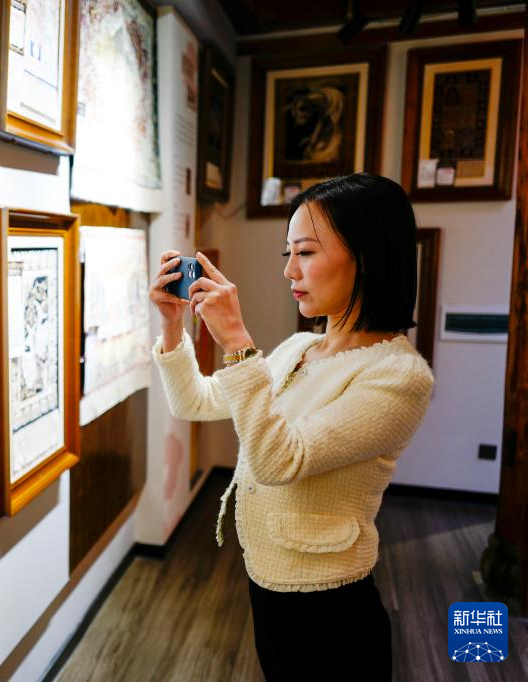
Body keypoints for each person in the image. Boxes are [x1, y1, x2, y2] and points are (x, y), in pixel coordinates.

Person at [149, 173, 434, 681]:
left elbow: (280, 460)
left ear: (366, 256)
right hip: (268, 588)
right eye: (289, 253)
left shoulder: (399, 375)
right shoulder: (300, 347)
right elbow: (194, 401)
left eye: (304, 252)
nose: (289, 270)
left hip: (332, 611)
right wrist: (173, 324)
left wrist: (237, 343)